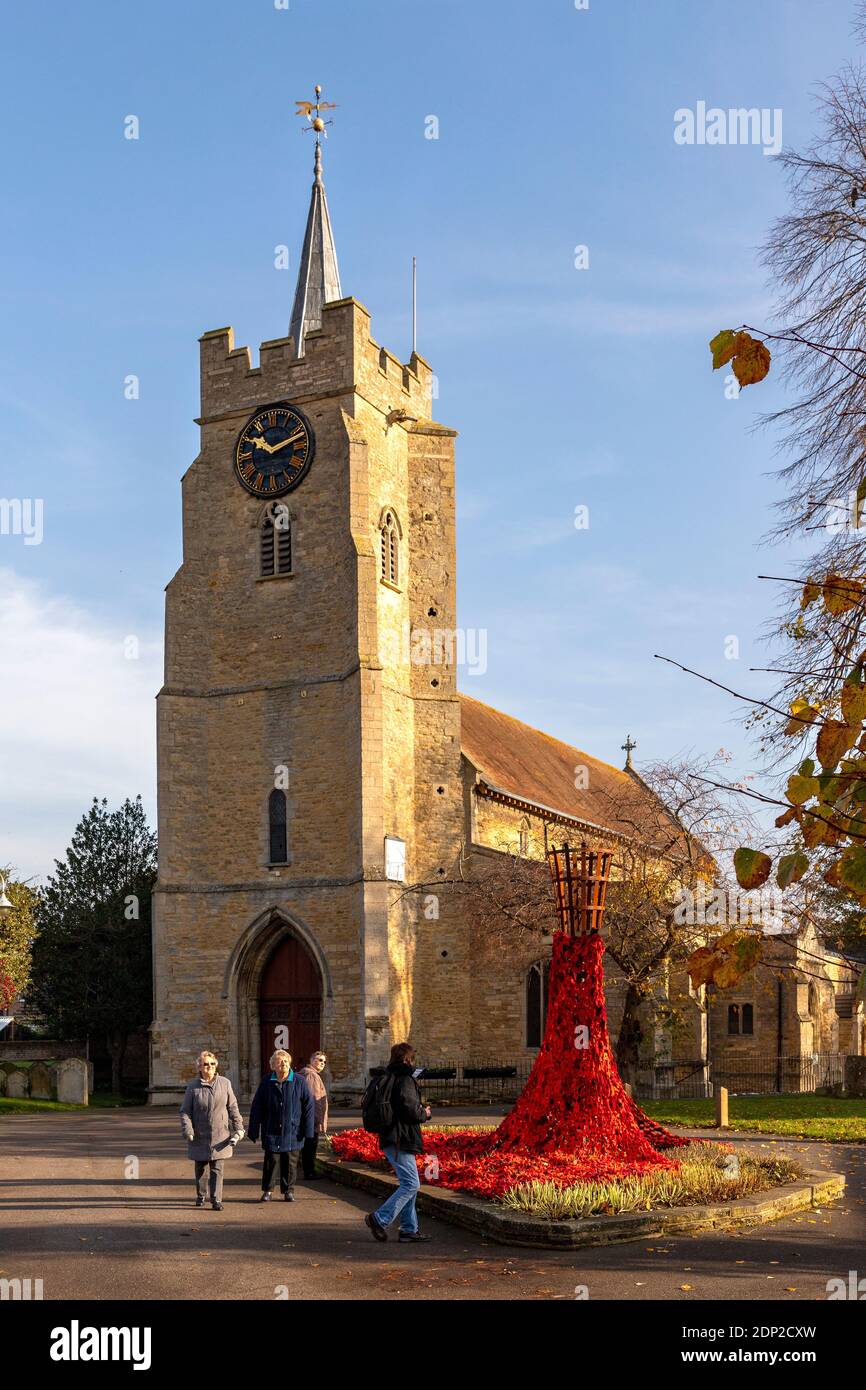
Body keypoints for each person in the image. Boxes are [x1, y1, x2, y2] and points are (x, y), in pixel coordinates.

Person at [364, 1042, 432, 1244]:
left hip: (391, 1136)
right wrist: (425, 1113)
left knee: (407, 1184)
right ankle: (380, 1218)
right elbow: (410, 1109)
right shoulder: (405, 1079)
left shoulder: (387, 1076)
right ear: (408, 1059)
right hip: (400, 1137)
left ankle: (409, 1229)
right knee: (412, 1183)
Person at [179, 1050, 244, 1211]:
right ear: (199, 1067)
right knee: (201, 1168)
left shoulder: (225, 1083)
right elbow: (185, 1111)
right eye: (205, 1064)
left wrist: (239, 1128)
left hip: (220, 1134)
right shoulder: (193, 1087)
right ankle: (201, 1195)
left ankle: (216, 1199)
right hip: (199, 1135)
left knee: (217, 1168)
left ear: (216, 1065)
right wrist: (188, 1129)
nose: (209, 1067)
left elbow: (233, 1107)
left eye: (212, 1064)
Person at [248, 1049, 314, 1202]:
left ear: (289, 1063)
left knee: (290, 1163)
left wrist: (308, 1130)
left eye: (285, 1060)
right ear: (273, 1066)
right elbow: (257, 1106)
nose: (283, 1063)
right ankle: (268, 1190)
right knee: (271, 1161)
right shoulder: (266, 1081)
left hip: (293, 1129)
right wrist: (253, 1129)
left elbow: (308, 1106)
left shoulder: (299, 1081)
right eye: (279, 1061)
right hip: (271, 1129)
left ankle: (288, 1191)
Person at [297, 1050, 329, 1180]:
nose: (322, 1063)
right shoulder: (311, 1075)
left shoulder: (311, 1074)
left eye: (324, 1061)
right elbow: (312, 1099)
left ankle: (309, 1170)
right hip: (311, 1118)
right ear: (311, 1060)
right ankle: (309, 1172)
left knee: (308, 1145)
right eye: (319, 1060)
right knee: (310, 1146)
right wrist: (316, 1120)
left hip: (310, 1118)